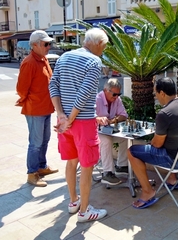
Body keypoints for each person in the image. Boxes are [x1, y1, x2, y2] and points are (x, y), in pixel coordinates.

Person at [49, 28, 108, 222]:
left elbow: (53, 84)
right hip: (81, 122)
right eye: (104, 46)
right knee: (87, 165)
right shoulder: (94, 61)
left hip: (64, 121)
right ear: (98, 44)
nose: (104, 50)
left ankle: (73, 201)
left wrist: (61, 115)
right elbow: (84, 93)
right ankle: (84, 211)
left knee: (71, 161)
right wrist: (71, 118)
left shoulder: (64, 56)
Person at [128, 77, 178, 209]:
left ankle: (148, 191)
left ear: (162, 93)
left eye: (155, 93)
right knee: (170, 144)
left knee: (132, 151)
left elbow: (157, 144)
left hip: (176, 161)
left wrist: (151, 141)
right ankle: (172, 180)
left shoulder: (164, 113)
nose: (155, 97)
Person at [16, 30, 58, 187]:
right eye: (46, 44)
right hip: (35, 109)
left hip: (45, 108)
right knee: (35, 143)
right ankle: (32, 173)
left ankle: (41, 166)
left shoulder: (43, 59)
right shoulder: (29, 62)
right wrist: (30, 100)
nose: (49, 46)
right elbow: (21, 89)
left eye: (49, 44)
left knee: (44, 140)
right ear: (35, 45)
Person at [96, 78, 128, 185]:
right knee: (106, 141)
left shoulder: (117, 99)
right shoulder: (96, 99)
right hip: (95, 131)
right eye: (114, 94)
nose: (116, 97)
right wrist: (98, 119)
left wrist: (113, 120)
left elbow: (124, 115)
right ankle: (107, 173)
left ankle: (121, 166)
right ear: (106, 90)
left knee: (125, 138)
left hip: (109, 130)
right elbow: (88, 117)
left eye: (119, 94)